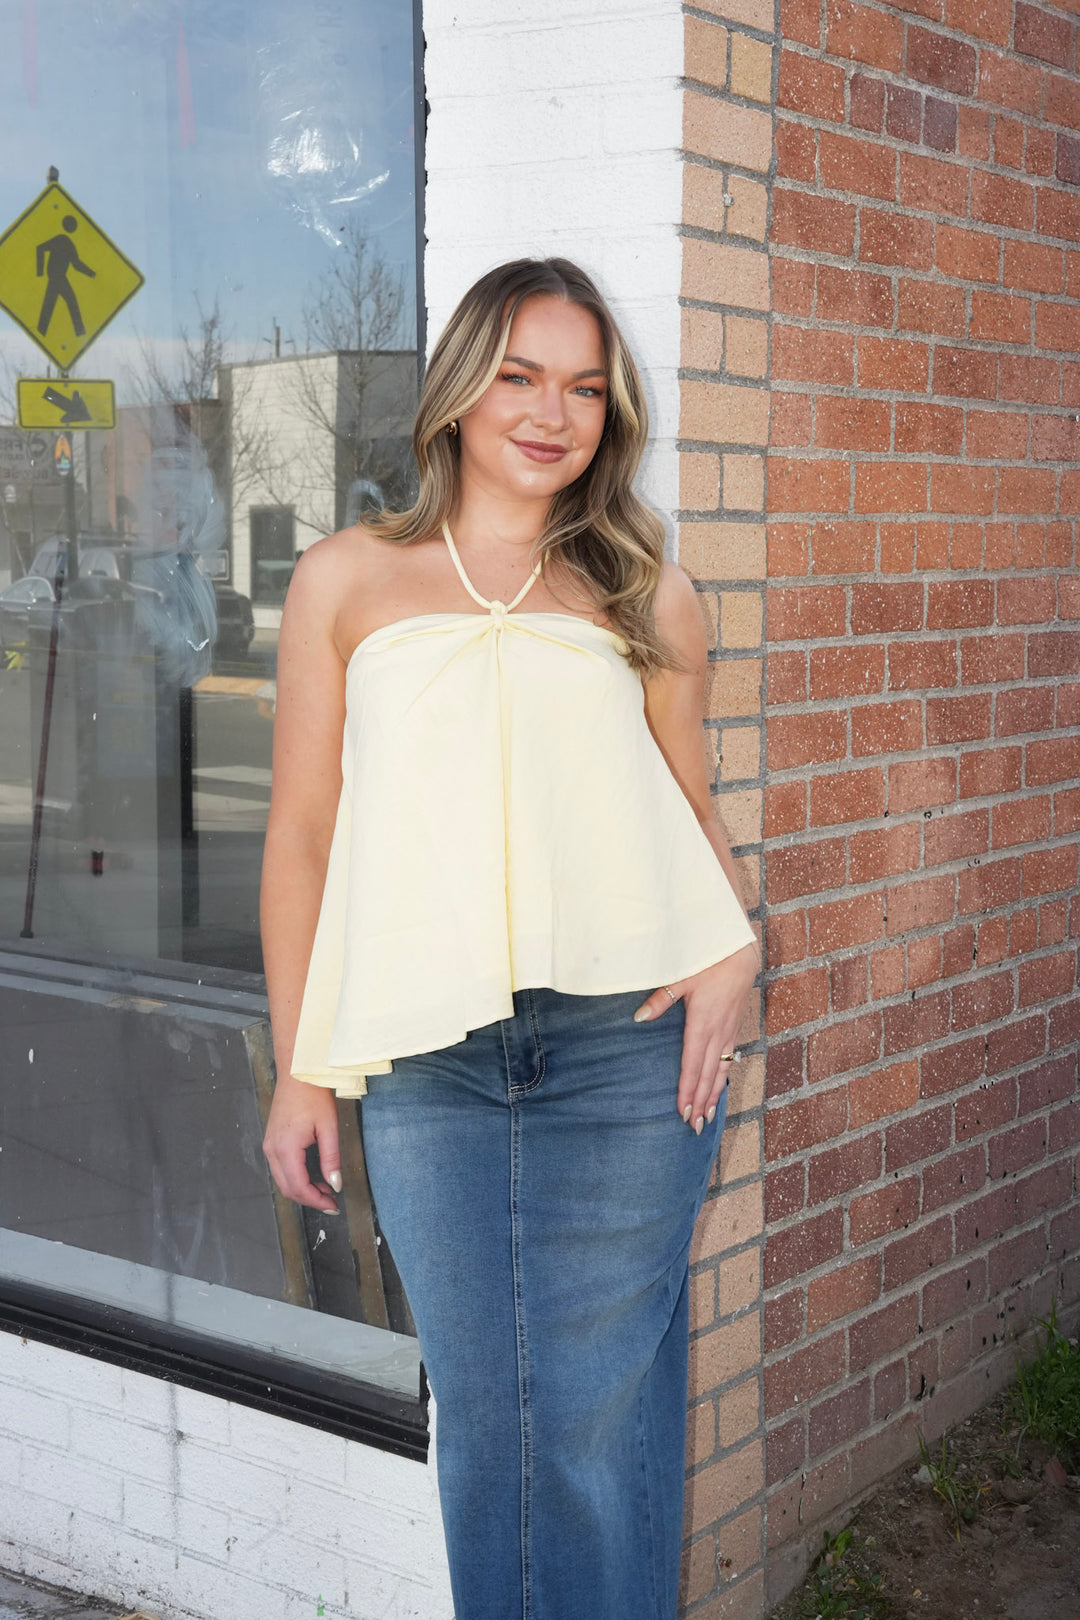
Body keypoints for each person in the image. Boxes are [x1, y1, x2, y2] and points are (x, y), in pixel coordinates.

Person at [260, 257, 761, 1620]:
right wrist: (302, 1069)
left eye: (586, 389)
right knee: (494, 1424)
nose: (554, 413)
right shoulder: (348, 579)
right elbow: (301, 836)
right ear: (460, 390)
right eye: (522, 376)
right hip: (429, 1059)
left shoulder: (644, 593)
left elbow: (687, 810)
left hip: (626, 1052)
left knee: (598, 1417)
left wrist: (736, 948)